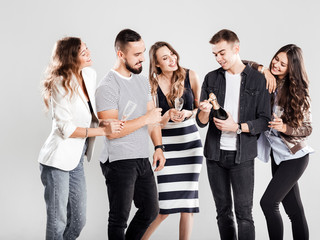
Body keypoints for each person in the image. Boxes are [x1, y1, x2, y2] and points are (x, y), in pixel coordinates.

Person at [38, 37, 122, 240]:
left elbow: (88, 112)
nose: (89, 53)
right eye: (83, 52)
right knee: (58, 221)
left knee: (78, 219)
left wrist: (103, 123)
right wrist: (102, 132)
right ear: (71, 58)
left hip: (76, 159)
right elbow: (65, 129)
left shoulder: (89, 75)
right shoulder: (59, 83)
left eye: (87, 49)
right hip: (57, 160)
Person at [196, 29, 271, 240]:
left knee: (244, 215)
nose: (219, 58)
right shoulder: (211, 78)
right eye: (215, 55)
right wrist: (204, 110)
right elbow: (202, 123)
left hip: (243, 157)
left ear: (236, 49)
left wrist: (236, 127)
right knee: (223, 213)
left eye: (222, 53)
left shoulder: (257, 79)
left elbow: (264, 121)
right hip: (215, 155)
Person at [95, 29, 166, 240]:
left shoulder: (142, 81)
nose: (142, 58)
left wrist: (159, 147)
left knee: (151, 211)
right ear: (120, 54)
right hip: (119, 159)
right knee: (119, 219)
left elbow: (153, 120)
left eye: (142, 52)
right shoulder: (107, 87)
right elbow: (111, 133)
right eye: (136, 54)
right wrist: (146, 119)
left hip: (142, 157)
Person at [142, 41, 203, 240]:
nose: (172, 60)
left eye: (172, 54)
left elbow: (202, 111)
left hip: (190, 144)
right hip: (166, 144)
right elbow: (152, 121)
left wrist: (188, 113)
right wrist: (167, 115)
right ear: (157, 64)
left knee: (188, 206)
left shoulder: (190, 75)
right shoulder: (150, 84)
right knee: (164, 208)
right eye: (165, 58)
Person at [257, 44, 313, 240]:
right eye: (276, 59)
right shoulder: (268, 79)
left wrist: (285, 128)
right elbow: (243, 64)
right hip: (278, 156)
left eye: (283, 64)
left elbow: (307, 129)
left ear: (292, 68)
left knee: (268, 203)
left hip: (295, 156)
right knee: (294, 211)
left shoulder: (298, 92)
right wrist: (263, 69)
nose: (277, 65)